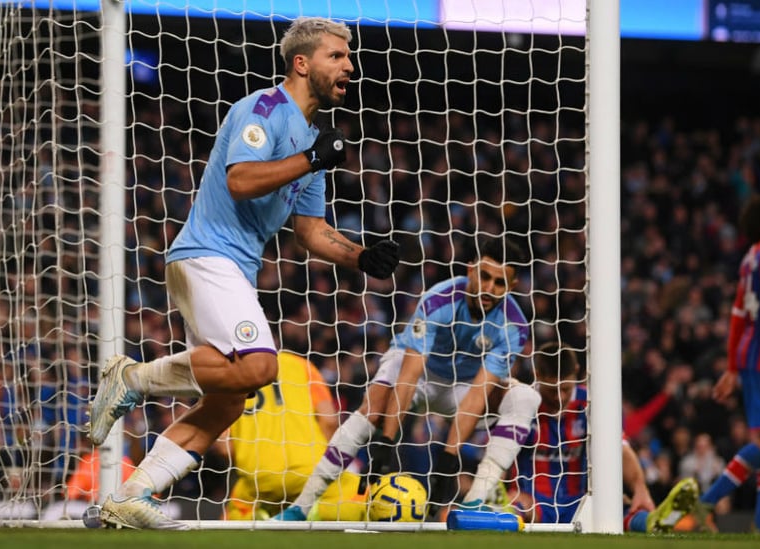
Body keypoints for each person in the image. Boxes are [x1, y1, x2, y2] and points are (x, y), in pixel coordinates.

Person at [86, 17, 400, 530]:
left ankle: (132, 494)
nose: (350, 65)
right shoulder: (264, 109)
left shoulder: (315, 138)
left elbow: (311, 230)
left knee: (229, 400)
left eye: (349, 56)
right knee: (259, 368)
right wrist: (308, 159)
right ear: (302, 63)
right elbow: (240, 179)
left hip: (232, 266)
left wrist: (361, 256)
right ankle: (134, 378)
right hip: (208, 254)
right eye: (337, 56)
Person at [275, 237, 541, 520]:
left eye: (499, 283)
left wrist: (449, 461)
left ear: (511, 287)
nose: (489, 288)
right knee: (374, 404)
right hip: (420, 374)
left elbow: (478, 392)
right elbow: (410, 374)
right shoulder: (439, 300)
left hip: (463, 388)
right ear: (471, 269)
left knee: (525, 397)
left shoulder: (514, 325)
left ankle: (474, 504)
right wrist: (386, 442)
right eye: (484, 276)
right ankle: (299, 508)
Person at [694, 195, 760, 534]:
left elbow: (738, 314)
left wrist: (731, 366)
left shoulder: (751, 256)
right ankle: (707, 502)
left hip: (752, 354)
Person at [511, 342, 699, 532]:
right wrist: (506, 490)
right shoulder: (522, 403)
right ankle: (502, 508)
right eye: (552, 389)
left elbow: (621, 448)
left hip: (580, 501)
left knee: (617, 510)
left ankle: (653, 521)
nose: (559, 396)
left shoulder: (591, 402)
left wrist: (640, 488)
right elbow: (500, 449)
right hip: (534, 503)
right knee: (515, 508)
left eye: (566, 388)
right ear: (538, 375)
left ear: (577, 371)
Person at [215, 350, 363, 520]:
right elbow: (328, 420)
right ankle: (315, 514)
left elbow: (224, 447)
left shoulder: (225, 376)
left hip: (258, 478)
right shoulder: (300, 365)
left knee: (232, 514)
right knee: (361, 494)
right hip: (312, 469)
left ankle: (263, 516)